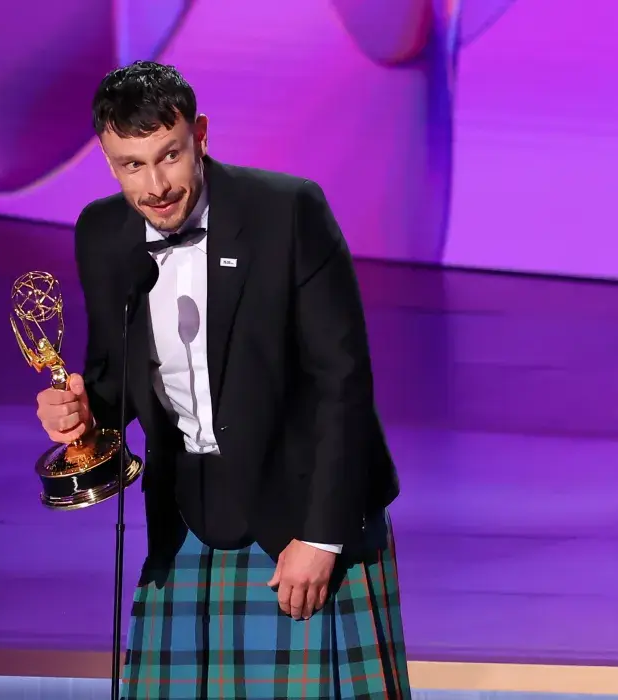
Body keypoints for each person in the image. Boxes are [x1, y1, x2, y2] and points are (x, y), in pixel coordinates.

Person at [36, 60, 409, 700]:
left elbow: (340, 381)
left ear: (200, 135)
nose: (154, 185)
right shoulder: (102, 233)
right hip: (186, 518)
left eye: (169, 157)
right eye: (131, 165)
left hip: (299, 516)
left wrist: (321, 535)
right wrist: (80, 412)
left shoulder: (287, 212)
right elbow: (110, 374)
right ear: (106, 159)